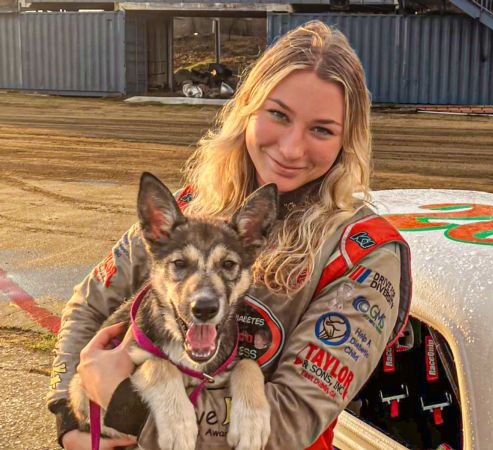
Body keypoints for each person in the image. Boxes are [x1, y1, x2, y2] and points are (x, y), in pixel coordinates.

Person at [46, 21, 411, 450]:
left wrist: (125, 404)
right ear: (247, 110)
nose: (292, 148)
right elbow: (88, 305)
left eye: (322, 129)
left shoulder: (363, 254)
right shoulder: (190, 206)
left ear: (348, 142)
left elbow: (289, 423)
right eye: (278, 115)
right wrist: (69, 418)